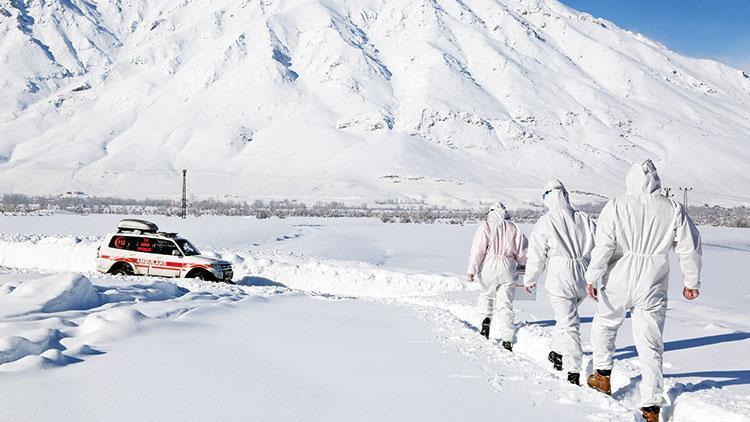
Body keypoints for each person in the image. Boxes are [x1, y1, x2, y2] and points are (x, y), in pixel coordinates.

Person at [584, 160, 702, 422]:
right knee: (650, 342)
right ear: (655, 181)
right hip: (653, 280)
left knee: (605, 323)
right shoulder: (672, 208)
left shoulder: (616, 205)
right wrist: (691, 281)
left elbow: (603, 246)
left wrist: (592, 275)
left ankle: (602, 375)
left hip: (618, 277)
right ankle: (651, 406)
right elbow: (689, 246)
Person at [524, 179, 596, 386]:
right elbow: (603, 246)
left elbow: (536, 256)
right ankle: (556, 352)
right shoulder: (584, 218)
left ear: (547, 198)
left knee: (569, 323)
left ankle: (573, 369)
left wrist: (530, 279)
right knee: (565, 318)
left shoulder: (546, 221)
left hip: (560, 276)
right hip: (584, 274)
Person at [467, 202, 528, 351]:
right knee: (505, 303)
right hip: (508, 266)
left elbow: (478, 249)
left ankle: (485, 320)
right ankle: (507, 338)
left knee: (486, 295)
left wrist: (472, 269)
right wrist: (524, 265)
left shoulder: (486, 226)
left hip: (489, 264)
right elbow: (523, 251)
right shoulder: (514, 227)